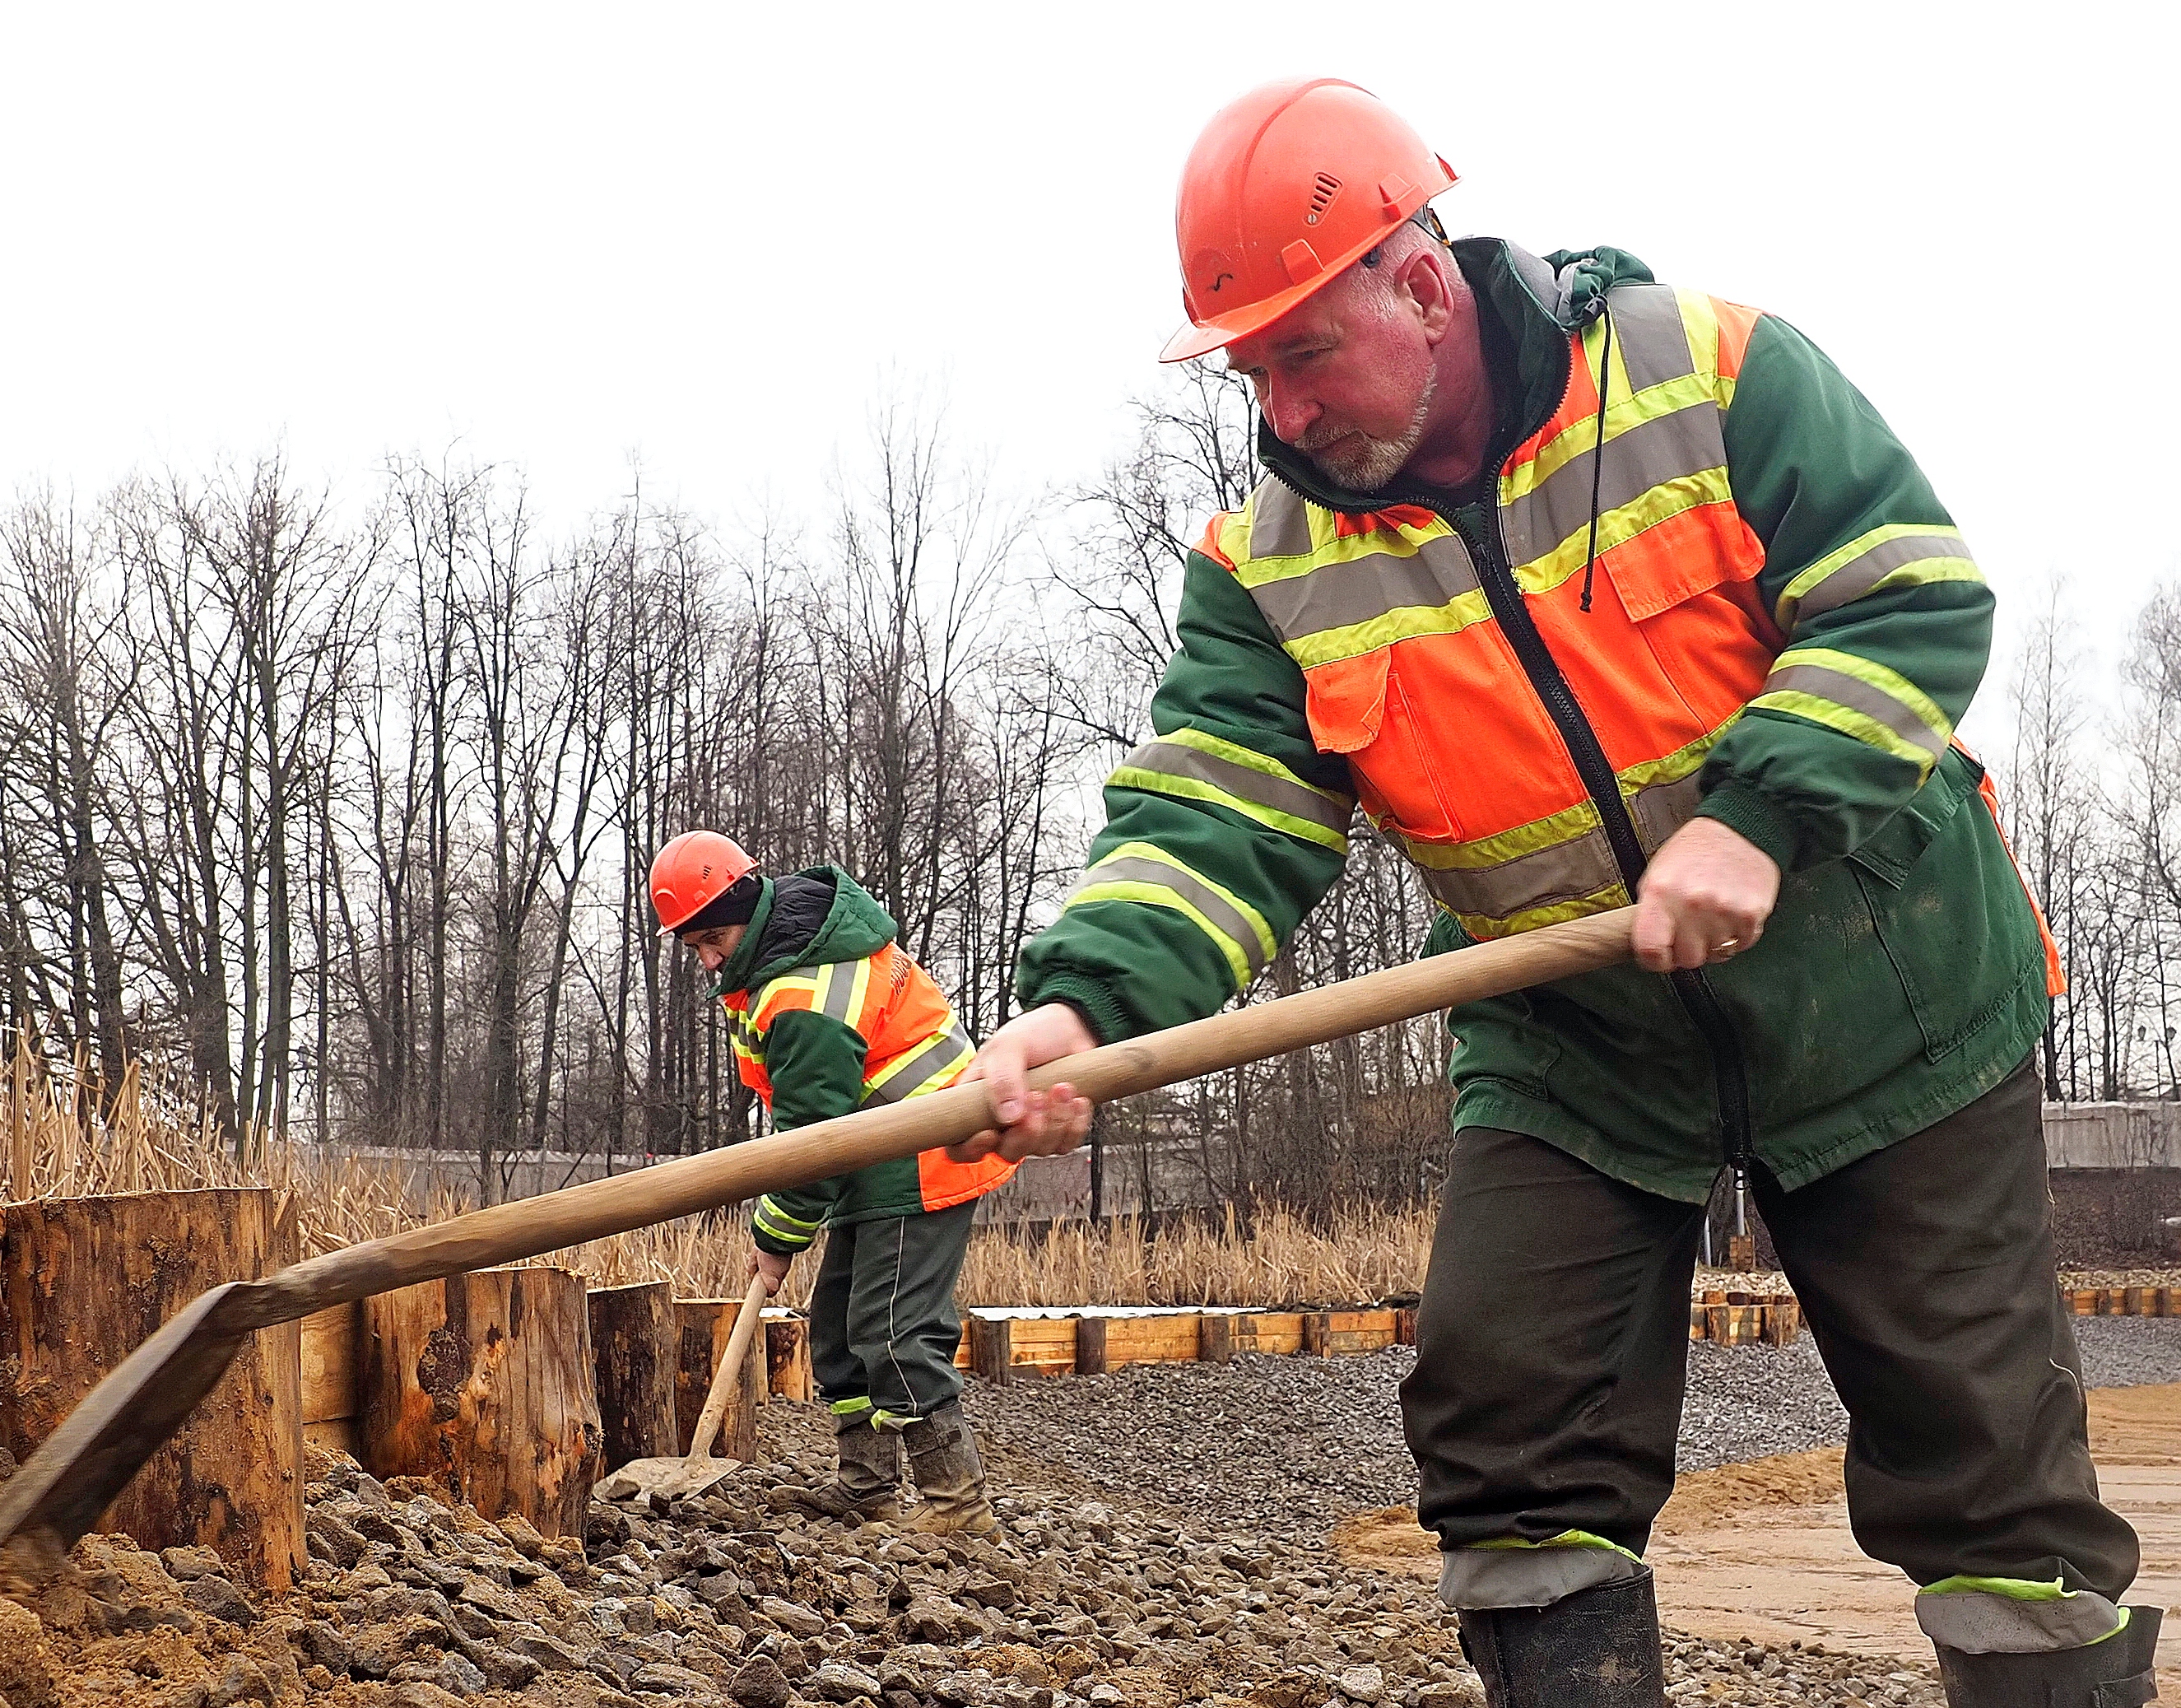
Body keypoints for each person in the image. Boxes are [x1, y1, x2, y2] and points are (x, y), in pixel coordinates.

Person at [958, 78, 2155, 1707]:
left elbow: (1908, 598)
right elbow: (1217, 810)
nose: (1284, 412)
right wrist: (1082, 1004)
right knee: (1508, 1425)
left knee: (1986, 1463)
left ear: (1422, 284)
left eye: (1306, 354)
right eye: (1253, 373)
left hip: (1886, 994)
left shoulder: (1709, 373)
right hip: (1575, 1039)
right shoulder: (1268, 568)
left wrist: (1758, 818)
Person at [647, 830, 1016, 1535]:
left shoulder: (801, 991)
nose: (708, 959)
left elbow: (812, 1140)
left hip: (924, 1150)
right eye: (694, 947)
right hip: (875, 1155)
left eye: (714, 938)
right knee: (840, 1328)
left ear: (748, 904)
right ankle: (867, 1485)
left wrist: (775, 1237)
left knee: (895, 1328)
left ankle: (957, 1503)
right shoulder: (787, 955)